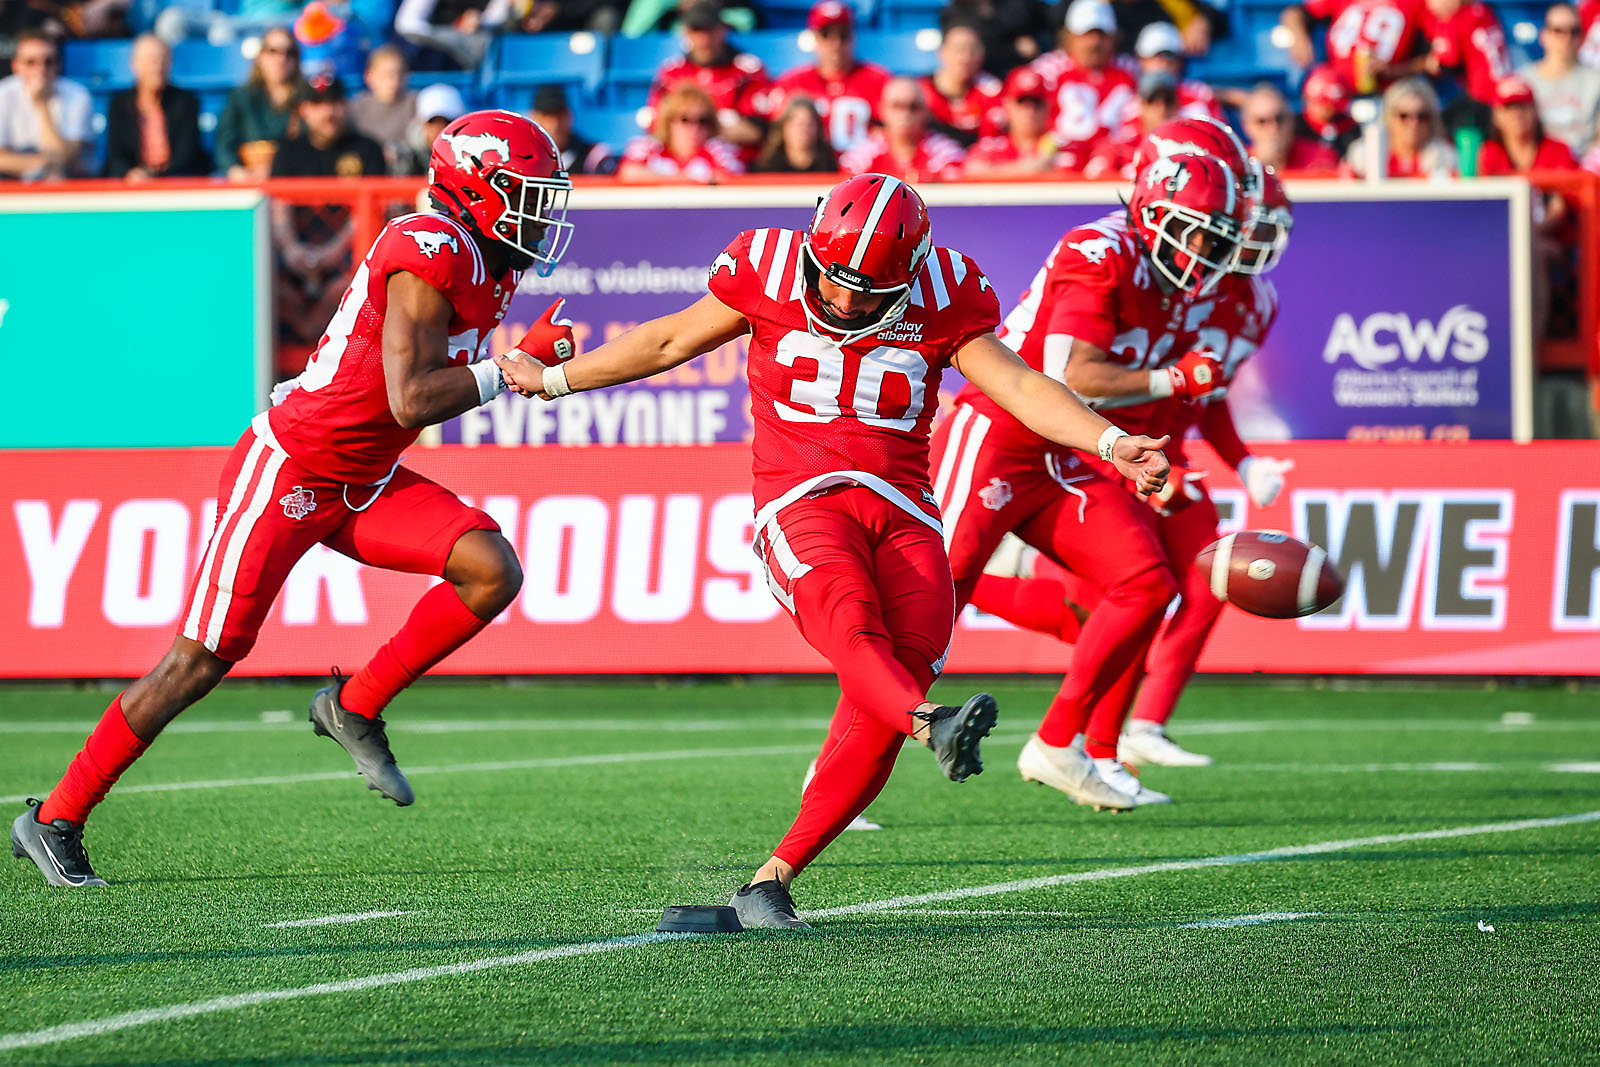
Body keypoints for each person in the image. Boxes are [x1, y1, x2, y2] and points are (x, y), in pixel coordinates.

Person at [494, 173, 1169, 927]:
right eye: (836, 279)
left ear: (911, 274)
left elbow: (1017, 384)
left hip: (906, 509)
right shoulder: (767, 264)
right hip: (801, 498)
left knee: (895, 681)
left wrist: (1111, 442)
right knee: (849, 624)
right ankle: (932, 724)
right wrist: (555, 380)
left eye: (869, 290)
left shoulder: (947, 289)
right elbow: (669, 339)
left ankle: (770, 882)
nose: (845, 301)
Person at [11, 111, 576, 888]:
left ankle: (355, 704)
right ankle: (55, 816)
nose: (539, 215)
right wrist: (510, 368)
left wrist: (514, 366)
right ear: (477, 187)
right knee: (199, 661)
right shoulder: (430, 247)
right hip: (293, 470)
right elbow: (410, 398)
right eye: (526, 195)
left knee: (490, 568)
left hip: (365, 478)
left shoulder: (490, 261)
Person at [931, 145, 1245, 811]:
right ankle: (838, 759)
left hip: (1068, 449)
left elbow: (1103, 394)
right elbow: (1070, 373)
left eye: (1212, 240)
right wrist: (1174, 379)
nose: (1200, 252)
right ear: (1153, 214)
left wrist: (1132, 453)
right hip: (1000, 433)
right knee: (931, 603)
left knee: (1145, 583)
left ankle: (1058, 744)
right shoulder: (1100, 252)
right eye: (1191, 233)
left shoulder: (1173, 284)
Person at [270, 74, 388, 349]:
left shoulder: (367, 149)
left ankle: (320, 353)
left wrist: (332, 253)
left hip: (350, 255)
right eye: (318, 105)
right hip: (294, 255)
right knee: (267, 282)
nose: (328, 112)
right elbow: (278, 209)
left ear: (345, 105)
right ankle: (306, 349)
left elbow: (369, 213)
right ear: (304, 110)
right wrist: (292, 250)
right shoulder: (288, 151)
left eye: (334, 103)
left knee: (351, 285)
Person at [764, 0, 891, 155]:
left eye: (843, 35)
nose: (836, 43)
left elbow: (894, 130)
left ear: (854, 37)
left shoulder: (878, 80)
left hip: (863, 167)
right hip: (811, 168)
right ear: (814, 38)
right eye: (826, 35)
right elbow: (773, 134)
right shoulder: (792, 83)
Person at [642, 1, 769, 152]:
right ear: (686, 32)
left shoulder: (748, 70)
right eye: (696, 30)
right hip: (681, 160)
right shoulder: (671, 72)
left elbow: (756, 131)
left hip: (733, 159)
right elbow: (656, 128)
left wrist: (691, 128)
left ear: (722, 30)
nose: (704, 40)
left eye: (709, 30)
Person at [1029, 0, 1137, 171]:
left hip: (1114, 165)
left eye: (1102, 35)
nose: (1095, 43)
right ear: (1070, 37)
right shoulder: (1049, 69)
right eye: (1086, 35)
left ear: (1113, 38)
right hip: (1057, 163)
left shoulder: (1131, 70)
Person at [102, 34, 208, 180]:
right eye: (151, 61)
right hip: (133, 183)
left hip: (175, 181)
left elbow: (187, 154)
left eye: (163, 60)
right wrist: (131, 173)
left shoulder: (186, 102)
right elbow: (116, 154)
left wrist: (155, 176)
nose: (158, 67)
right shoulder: (119, 104)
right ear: (135, 64)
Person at [1279, 0, 1429, 97]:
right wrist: (1299, 36)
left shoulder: (1416, 4)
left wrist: (1392, 70)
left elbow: (1433, 60)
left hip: (1389, 96)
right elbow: (1293, 13)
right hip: (1336, 93)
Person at [215, 25, 305, 182]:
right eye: (273, 51)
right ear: (260, 57)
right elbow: (224, 144)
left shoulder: (307, 99)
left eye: (289, 52)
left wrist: (277, 169)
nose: (281, 59)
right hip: (248, 180)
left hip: (293, 180)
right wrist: (234, 170)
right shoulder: (241, 97)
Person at [0, 29, 91, 181]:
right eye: (31, 62)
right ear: (16, 66)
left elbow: (64, 159)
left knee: (56, 176)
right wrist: (40, 163)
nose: (41, 70)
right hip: (11, 179)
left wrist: (42, 104)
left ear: (59, 64)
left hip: (62, 181)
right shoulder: (3, 93)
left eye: (49, 62)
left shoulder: (77, 95)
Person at [839, 76, 967, 182]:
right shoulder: (861, 156)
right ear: (882, 109)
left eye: (913, 107)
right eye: (897, 106)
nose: (905, 114)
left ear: (926, 112)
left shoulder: (945, 153)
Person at [619, 82, 744, 182]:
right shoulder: (649, 147)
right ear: (669, 121)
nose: (694, 127)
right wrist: (686, 179)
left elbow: (729, 177)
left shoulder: (719, 150)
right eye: (685, 119)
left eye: (702, 120)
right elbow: (629, 173)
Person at [1519, 4, 1600, 155]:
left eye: (1574, 31)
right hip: (1539, 164)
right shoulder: (1523, 82)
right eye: (1558, 30)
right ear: (1544, 35)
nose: (1567, 38)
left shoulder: (1596, 81)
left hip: (1583, 164)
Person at [1422, 0, 1510, 133]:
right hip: (1503, 88)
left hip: (1482, 96)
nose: (1430, 5)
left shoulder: (1458, 19)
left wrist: (1423, 63)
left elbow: (1443, 64)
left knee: (1436, 122)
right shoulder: (1483, 10)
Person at [1343, 76, 1456, 177]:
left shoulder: (1445, 157)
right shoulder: (1363, 157)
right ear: (1389, 117)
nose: (1413, 123)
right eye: (1404, 116)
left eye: (1422, 116)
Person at [964, 65, 1067, 176]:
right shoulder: (992, 148)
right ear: (1007, 105)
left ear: (1047, 106)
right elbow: (971, 170)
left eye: (1036, 103)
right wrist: (1025, 169)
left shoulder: (1063, 146)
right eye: (1021, 102)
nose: (1030, 111)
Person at [918, 21, 1003, 148]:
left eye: (973, 50)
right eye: (958, 49)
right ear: (942, 52)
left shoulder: (992, 90)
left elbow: (994, 142)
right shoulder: (920, 93)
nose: (966, 58)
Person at [1083, 69, 1177, 178]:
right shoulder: (1119, 146)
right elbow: (1095, 181)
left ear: (1177, 105)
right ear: (1141, 105)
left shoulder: (1186, 147)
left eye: (1168, 101)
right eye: (1151, 101)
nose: (1161, 109)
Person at [1241, 82, 1340, 173]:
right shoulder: (1240, 165)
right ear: (1246, 126)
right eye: (1261, 121)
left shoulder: (1319, 159)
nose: (1273, 128)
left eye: (1279, 119)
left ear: (1291, 121)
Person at [1129, 22, 1220, 121]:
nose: (1164, 63)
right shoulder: (1128, 99)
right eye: (1156, 56)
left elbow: (1218, 130)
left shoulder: (1201, 95)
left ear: (1180, 62)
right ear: (1142, 61)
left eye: (1169, 56)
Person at [938, 0, 1053, 77]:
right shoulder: (955, 13)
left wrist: (1038, 44)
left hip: (1026, 75)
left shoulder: (1019, 4)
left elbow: (1054, 20)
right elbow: (976, 51)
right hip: (979, 81)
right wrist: (1014, 50)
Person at [350, 45, 416, 175]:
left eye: (399, 74)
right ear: (369, 76)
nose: (393, 81)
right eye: (385, 75)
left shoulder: (415, 104)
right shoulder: (356, 108)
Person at [529, 84, 616, 177]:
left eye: (559, 116)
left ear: (569, 116)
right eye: (545, 116)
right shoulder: (525, 157)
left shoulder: (593, 155)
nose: (554, 125)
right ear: (534, 118)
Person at [751, 95, 838, 173]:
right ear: (783, 127)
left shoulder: (831, 166)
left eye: (809, 124)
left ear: (817, 128)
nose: (803, 130)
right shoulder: (767, 169)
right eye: (797, 124)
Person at [1299, 63, 1360, 158]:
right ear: (1310, 102)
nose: (1333, 110)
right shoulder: (1297, 130)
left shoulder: (1351, 126)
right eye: (1326, 105)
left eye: (1335, 104)